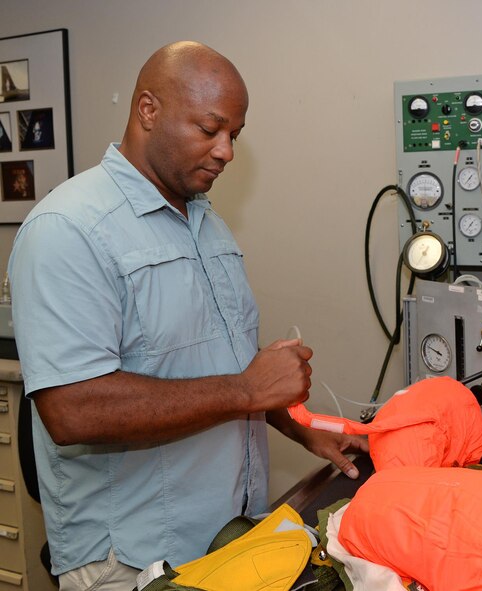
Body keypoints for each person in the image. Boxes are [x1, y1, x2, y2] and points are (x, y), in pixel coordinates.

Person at [8, 41, 368, 591]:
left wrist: (302, 429)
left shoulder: (204, 222)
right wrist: (248, 390)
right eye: (210, 129)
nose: (225, 151)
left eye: (235, 136)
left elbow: (216, 365)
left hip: (224, 536)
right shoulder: (68, 229)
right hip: (134, 559)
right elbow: (72, 409)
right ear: (147, 111)